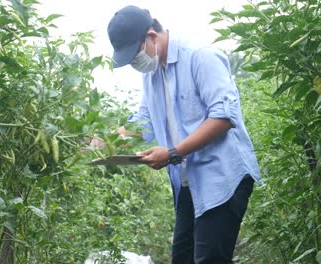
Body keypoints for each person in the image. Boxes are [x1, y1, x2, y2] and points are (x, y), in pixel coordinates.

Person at [106, 5, 261, 264]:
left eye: (134, 56)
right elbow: (145, 122)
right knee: (183, 257)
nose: (135, 64)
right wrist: (106, 141)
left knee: (210, 258)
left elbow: (223, 118)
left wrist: (173, 152)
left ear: (152, 36)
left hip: (223, 176)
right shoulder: (152, 73)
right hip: (189, 181)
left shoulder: (201, 56)